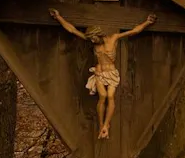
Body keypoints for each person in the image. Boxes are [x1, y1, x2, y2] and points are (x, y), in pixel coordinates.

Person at [48, 8, 157, 139]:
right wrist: (58, 17)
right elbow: (72, 30)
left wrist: (147, 22)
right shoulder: (93, 42)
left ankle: (106, 125)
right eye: (91, 40)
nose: (92, 42)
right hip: (99, 73)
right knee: (103, 96)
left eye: (94, 39)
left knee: (110, 96)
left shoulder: (113, 38)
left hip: (111, 73)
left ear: (99, 35)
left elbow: (133, 31)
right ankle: (101, 125)